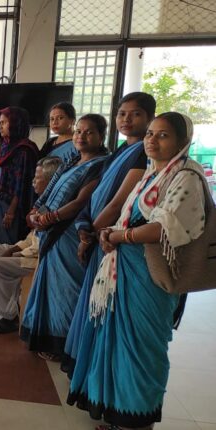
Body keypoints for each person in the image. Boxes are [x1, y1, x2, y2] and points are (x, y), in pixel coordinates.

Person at [68, 112, 205, 430]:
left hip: (150, 276)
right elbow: (127, 216)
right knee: (117, 345)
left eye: (163, 135)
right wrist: (109, 232)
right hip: (125, 268)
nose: (152, 140)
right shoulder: (151, 174)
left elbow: (164, 228)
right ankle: (120, 416)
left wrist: (119, 236)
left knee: (142, 348)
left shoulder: (186, 177)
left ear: (183, 141)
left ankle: (138, 421)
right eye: (150, 134)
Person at [62, 92, 155, 376]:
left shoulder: (143, 153)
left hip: (110, 239)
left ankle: (95, 371)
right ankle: (84, 365)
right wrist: (84, 227)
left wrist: (90, 233)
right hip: (96, 231)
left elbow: (117, 203)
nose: (127, 119)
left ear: (150, 118)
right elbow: (98, 195)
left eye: (135, 114)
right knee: (92, 302)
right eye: (122, 114)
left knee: (102, 306)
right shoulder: (121, 150)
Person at [19, 115, 108, 358]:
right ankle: (46, 338)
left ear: (101, 136)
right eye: (79, 131)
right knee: (50, 287)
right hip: (52, 232)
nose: (81, 136)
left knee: (68, 290)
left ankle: (65, 344)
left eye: (89, 132)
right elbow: (48, 192)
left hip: (69, 233)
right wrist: (36, 211)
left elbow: (81, 202)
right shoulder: (71, 161)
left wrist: (50, 218)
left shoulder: (99, 165)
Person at [0, 156, 62, 334]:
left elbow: (40, 244)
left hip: (39, 260)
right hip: (30, 251)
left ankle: (8, 316)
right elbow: (31, 238)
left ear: (50, 181)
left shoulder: (56, 206)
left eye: (37, 178)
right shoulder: (43, 202)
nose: (33, 182)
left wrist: (17, 253)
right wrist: (13, 249)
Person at [0, 106, 39, 294]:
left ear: (16, 124)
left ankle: (6, 294)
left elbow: (22, 184)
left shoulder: (25, 150)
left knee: (7, 247)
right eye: (0, 123)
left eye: (4, 122)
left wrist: (11, 211)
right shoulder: (5, 146)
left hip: (11, 207)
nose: (0, 126)